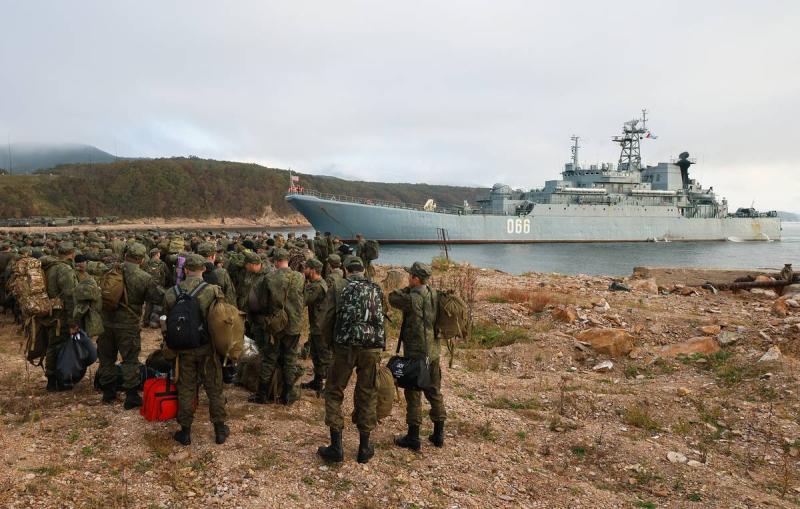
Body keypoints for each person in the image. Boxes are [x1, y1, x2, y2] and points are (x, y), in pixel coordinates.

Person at [318, 256, 386, 464]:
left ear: (346, 270)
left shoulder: (339, 286)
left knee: (334, 391)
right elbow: (382, 316)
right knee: (367, 393)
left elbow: (327, 318)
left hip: (344, 348)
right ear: (363, 270)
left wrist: (331, 344)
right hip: (371, 348)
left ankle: (336, 447)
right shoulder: (375, 287)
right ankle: (364, 448)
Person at [163, 253, 229, 446]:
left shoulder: (172, 292)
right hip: (207, 348)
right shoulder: (213, 291)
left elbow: (167, 321)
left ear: (185, 270)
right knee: (214, 388)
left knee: (186, 388)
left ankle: (185, 431)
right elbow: (221, 320)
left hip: (183, 349)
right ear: (204, 269)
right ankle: (219, 430)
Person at [97, 243, 164, 407]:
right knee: (130, 360)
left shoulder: (111, 271)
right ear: (141, 260)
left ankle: (108, 393)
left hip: (106, 323)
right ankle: (131, 396)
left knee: (106, 359)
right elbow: (157, 297)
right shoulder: (143, 277)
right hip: (128, 325)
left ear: (125, 256)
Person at [389, 261, 447, 450]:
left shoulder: (412, 298)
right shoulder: (433, 293)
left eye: (410, 276)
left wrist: (409, 288)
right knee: (434, 391)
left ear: (415, 278)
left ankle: (413, 437)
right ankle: (438, 434)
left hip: (416, 353)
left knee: (413, 393)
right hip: (433, 351)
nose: (408, 278)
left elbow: (392, 297)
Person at [248, 248, 304, 405]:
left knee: (269, 358)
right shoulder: (299, 277)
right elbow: (302, 299)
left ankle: (262, 395)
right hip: (294, 324)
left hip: (275, 325)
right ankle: (287, 396)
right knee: (290, 358)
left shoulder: (269, 278)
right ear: (287, 260)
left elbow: (263, 303)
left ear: (276, 261)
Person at [41, 241, 79, 391]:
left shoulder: (50, 266)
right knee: (61, 346)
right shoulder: (64, 269)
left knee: (53, 345)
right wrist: (73, 322)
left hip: (50, 311)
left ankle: (52, 379)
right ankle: (60, 380)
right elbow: (70, 297)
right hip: (60, 315)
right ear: (72, 253)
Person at [300, 258, 328, 392]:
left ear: (312, 270)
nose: (304, 270)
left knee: (323, 357)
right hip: (318, 325)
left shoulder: (317, 286)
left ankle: (326, 387)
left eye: (306, 268)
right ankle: (317, 382)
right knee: (316, 356)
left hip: (320, 327)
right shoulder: (317, 283)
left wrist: (301, 283)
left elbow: (304, 300)